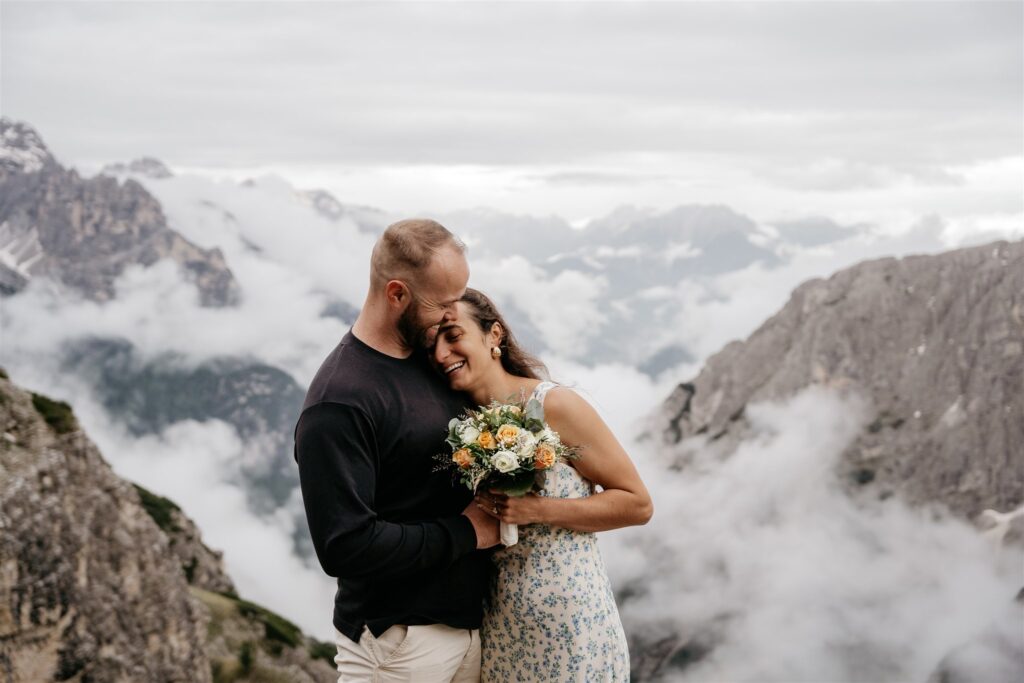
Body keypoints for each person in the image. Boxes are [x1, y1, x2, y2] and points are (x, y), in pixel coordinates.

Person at [294, 219, 499, 683]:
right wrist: (467, 533)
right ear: (396, 294)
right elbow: (344, 546)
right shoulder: (340, 402)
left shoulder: (431, 358)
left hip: (467, 629)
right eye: (443, 302)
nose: (454, 314)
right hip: (398, 646)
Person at [432, 288, 654, 682]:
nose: (440, 354)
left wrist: (538, 510)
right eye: (430, 344)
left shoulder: (555, 405)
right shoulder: (457, 427)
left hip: (572, 624)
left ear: (494, 334)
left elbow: (637, 504)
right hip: (500, 625)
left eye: (452, 336)